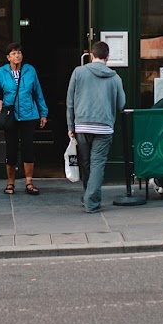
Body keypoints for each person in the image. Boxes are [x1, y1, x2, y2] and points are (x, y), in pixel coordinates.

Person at [66, 40, 126, 214]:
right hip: (104, 127)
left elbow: (70, 101)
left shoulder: (78, 72)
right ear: (108, 57)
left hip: (82, 125)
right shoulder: (115, 77)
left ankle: (89, 197)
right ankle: (91, 200)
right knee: (97, 164)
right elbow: (121, 104)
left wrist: (70, 125)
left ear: (91, 55)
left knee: (86, 163)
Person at [0, 42, 48, 196]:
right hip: (11, 115)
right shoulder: (1, 72)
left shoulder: (30, 70)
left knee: (28, 148)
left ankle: (29, 182)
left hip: (29, 114)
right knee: (11, 149)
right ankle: (10, 182)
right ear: (8, 57)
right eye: (14, 53)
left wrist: (43, 113)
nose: (17, 56)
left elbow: (38, 93)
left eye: (19, 53)